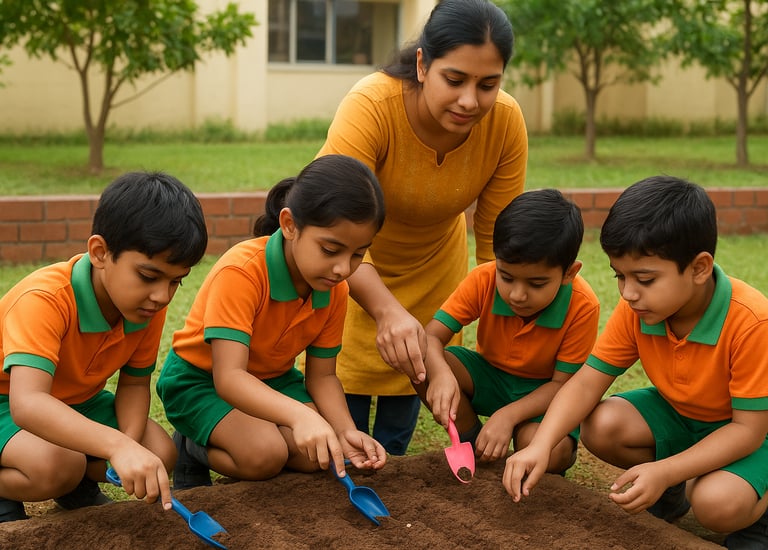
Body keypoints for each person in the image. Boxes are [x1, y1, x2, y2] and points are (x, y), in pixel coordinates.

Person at [502, 176, 768, 549]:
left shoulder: (751, 321)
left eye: (644, 278)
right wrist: (540, 444)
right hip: (683, 415)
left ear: (699, 268)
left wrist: (665, 468)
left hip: (751, 434)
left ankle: (759, 514)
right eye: (620, 276)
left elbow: (748, 431)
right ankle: (672, 490)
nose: (628, 293)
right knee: (601, 424)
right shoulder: (640, 310)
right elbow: (585, 383)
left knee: (716, 503)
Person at [316, 0, 528, 455]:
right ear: (422, 64)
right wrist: (387, 310)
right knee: (342, 416)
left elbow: (497, 246)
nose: (470, 101)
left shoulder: (506, 122)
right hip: (351, 266)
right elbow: (331, 222)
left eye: (488, 85)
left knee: (399, 421)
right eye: (454, 80)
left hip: (435, 271)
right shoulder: (372, 105)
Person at [156, 154, 388, 490]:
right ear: (290, 225)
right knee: (264, 455)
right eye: (330, 249)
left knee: (319, 453)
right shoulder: (242, 272)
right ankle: (190, 447)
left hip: (272, 380)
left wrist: (345, 430)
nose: (342, 268)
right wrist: (301, 416)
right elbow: (229, 377)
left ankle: (254, 432)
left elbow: (322, 376)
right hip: (200, 381)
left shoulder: (333, 289)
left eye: (357, 255)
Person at [0, 172, 209, 523]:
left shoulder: (145, 305)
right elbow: (28, 403)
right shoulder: (45, 299)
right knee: (56, 466)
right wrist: (116, 446)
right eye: (147, 276)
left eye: (176, 281)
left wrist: (127, 444)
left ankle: (76, 486)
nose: (162, 296)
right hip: (9, 401)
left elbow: (134, 384)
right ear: (100, 252)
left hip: (75, 403)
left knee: (157, 449)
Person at [416, 189, 599, 473]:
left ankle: (521, 450)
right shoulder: (483, 279)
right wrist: (440, 375)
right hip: (490, 376)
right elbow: (430, 336)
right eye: (506, 276)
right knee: (422, 362)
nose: (517, 295)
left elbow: (563, 385)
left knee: (552, 451)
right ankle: (474, 442)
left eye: (536, 284)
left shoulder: (583, 305)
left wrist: (507, 416)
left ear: (569, 273)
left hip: (544, 392)